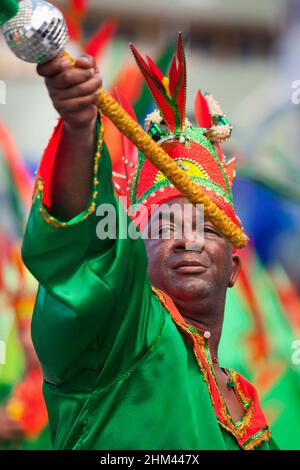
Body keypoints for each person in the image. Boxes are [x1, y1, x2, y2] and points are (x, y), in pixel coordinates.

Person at [22, 35, 277, 450]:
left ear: (233, 267)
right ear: (134, 254)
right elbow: (80, 251)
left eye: (207, 227)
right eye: (164, 227)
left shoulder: (246, 400)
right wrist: (80, 127)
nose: (186, 241)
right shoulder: (116, 338)